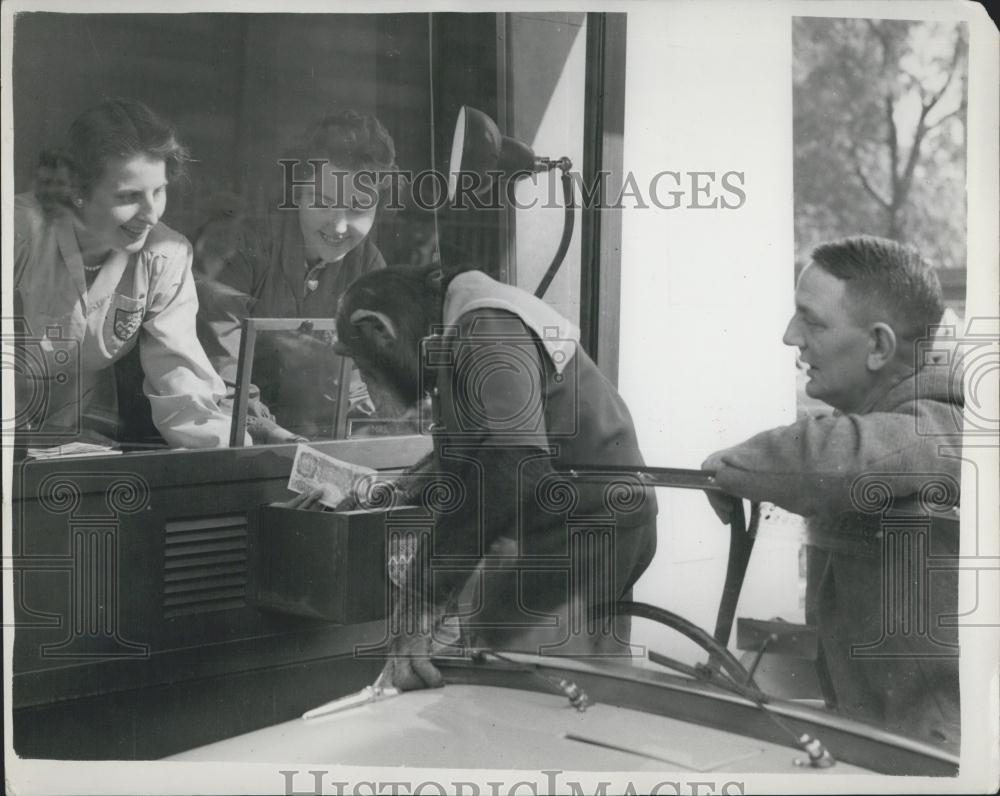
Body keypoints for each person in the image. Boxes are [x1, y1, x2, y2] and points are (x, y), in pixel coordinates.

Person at [330, 265, 659, 690]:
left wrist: (422, 596)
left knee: (519, 690)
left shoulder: (484, 325)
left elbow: (510, 465)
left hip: (580, 531)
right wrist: (397, 489)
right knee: (583, 687)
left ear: (377, 328)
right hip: (597, 524)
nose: (371, 388)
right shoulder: (471, 324)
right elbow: (487, 449)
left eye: (366, 368)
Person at [700, 236, 961, 750]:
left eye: (813, 322)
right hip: (874, 744)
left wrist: (728, 466)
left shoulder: (947, 424)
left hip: (942, 757)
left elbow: (838, 458)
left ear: (880, 347)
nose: (790, 337)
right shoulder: (887, 423)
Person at [13, 99, 234, 449]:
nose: (151, 214)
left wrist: (231, 456)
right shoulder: (16, 232)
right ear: (77, 191)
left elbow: (182, 388)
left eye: (158, 191)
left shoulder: (167, 254)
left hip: (79, 442)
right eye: (129, 196)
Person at [193, 110, 396, 441]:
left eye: (359, 208)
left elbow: (366, 376)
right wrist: (267, 430)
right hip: (228, 435)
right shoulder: (242, 247)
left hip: (313, 435)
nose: (340, 226)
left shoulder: (369, 265)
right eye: (322, 202)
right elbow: (217, 367)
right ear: (297, 193)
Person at [32, 148, 74, 217]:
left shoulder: (77, 224)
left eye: (61, 183)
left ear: (70, 186)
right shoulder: (16, 213)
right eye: (46, 182)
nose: (52, 190)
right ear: (36, 183)